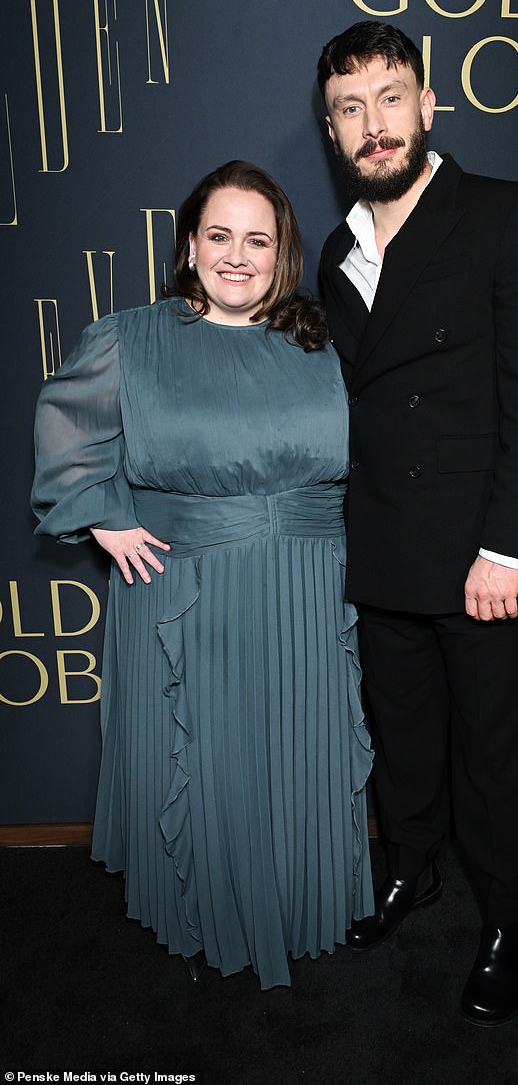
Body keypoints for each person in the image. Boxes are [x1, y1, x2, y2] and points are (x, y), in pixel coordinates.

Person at [31, 160, 374, 990]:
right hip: (188, 594)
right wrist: (104, 514)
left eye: (258, 240)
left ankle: (299, 904)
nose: (236, 255)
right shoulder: (132, 337)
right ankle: (207, 914)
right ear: (189, 244)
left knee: (295, 758)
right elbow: (64, 424)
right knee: (205, 764)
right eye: (219, 235)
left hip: (306, 586)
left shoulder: (322, 339)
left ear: (282, 253)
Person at [317, 22, 518, 1025]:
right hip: (383, 547)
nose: (372, 125)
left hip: (482, 558)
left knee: (497, 755)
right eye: (349, 109)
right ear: (334, 132)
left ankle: (506, 918)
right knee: (406, 741)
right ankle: (410, 871)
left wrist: (504, 546)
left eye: (389, 98)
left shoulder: (507, 215)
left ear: (428, 107)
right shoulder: (338, 249)